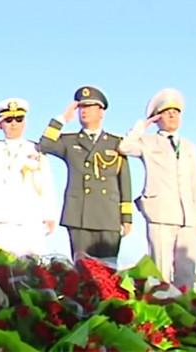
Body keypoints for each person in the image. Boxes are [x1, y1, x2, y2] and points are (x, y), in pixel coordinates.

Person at [117, 88, 196, 289]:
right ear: (157, 117)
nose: (172, 115)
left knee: (187, 272)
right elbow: (124, 147)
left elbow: (195, 183)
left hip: (187, 216)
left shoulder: (189, 147)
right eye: (166, 112)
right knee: (160, 271)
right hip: (161, 214)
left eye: (176, 112)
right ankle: (161, 307)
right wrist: (143, 125)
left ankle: (185, 307)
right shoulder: (148, 142)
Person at [38, 86, 132, 262]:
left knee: (108, 268)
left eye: (89, 107)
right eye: (81, 107)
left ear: (101, 112)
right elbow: (45, 144)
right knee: (82, 268)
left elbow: (124, 181)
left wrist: (126, 217)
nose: (84, 111)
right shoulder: (69, 141)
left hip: (108, 215)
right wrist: (62, 119)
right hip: (79, 214)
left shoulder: (116, 143)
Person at [0, 98, 57, 257]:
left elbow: (47, 182)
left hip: (32, 215)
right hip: (3, 216)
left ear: (25, 123)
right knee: (6, 264)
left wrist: (50, 214)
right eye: (8, 120)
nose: (13, 124)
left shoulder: (36, 148)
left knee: (33, 264)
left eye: (19, 119)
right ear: (1, 124)